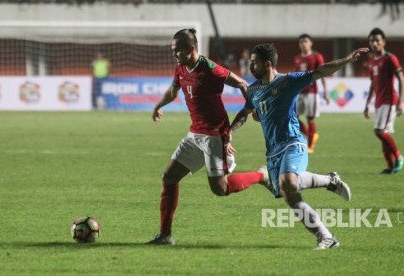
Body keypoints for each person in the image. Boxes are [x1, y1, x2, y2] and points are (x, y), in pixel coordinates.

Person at [229, 44, 368, 249]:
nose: (250, 65)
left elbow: (320, 71)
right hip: (273, 151)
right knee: (290, 196)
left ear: (267, 63)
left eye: (254, 61)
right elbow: (247, 112)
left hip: (293, 142)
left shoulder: (288, 81)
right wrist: (230, 131)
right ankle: (327, 231)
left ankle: (326, 235)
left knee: (288, 183)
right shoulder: (253, 90)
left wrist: (347, 60)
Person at [147, 28, 269, 245]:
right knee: (169, 178)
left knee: (220, 189)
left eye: (177, 51)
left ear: (191, 49)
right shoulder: (181, 68)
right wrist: (159, 105)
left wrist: (254, 109)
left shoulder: (211, 70)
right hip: (194, 134)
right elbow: (174, 91)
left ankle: (261, 175)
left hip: (214, 135)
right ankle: (165, 235)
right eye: (173, 51)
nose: (174, 55)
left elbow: (242, 83)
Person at [364, 28, 404, 174]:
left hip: (389, 100)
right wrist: (367, 104)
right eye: (372, 41)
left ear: (383, 42)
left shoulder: (390, 58)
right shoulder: (372, 61)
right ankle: (391, 166)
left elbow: (401, 78)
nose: (374, 43)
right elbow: (372, 84)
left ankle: (399, 157)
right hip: (379, 102)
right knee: (383, 133)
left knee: (380, 131)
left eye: (377, 41)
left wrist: (400, 101)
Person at [293, 34, 329, 153]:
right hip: (299, 92)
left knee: (310, 118)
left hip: (311, 92)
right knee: (294, 117)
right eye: (301, 42)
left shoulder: (316, 57)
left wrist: (325, 91)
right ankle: (311, 134)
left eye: (305, 41)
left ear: (311, 43)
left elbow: (323, 73)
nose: (303, 44)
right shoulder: (297, 58)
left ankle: (310, 145)